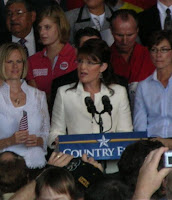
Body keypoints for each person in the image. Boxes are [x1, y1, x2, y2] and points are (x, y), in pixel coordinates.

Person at [49, 38, 133, 149]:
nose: (83, 67)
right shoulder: (64, 93)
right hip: (76, 160)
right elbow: (55, 131)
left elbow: (126, 133)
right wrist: (58, 141)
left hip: (111, 161)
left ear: (103, 67)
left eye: (89, 62)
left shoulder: (118, 92)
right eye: (80, 61)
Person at [0, 42, 50, 169]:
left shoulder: (39, 96)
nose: (15, 66)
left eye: (19, 61)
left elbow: (46, 133)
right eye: (10, 62)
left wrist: (39, 141)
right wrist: (9, 141)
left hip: (37, 165)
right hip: (6, 170)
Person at [26, 5, 77, 99]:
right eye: (40, 28)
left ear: (60, 26)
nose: (42, 32)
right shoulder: (32, 61)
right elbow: (34, 99)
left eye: (47, 27)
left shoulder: (76, 56)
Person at [110, 9, 155, 110]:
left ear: (137, 31)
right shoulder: (104, 58)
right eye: (119, 35)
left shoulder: (151, 56)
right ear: (111, 31)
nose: (125, 41)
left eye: (130, 35)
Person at [134, 31, 172, 148]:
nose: (158, 55)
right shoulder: (143, 86)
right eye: (154, 50)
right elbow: (139, 127)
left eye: (164, 49)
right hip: (152, 145)